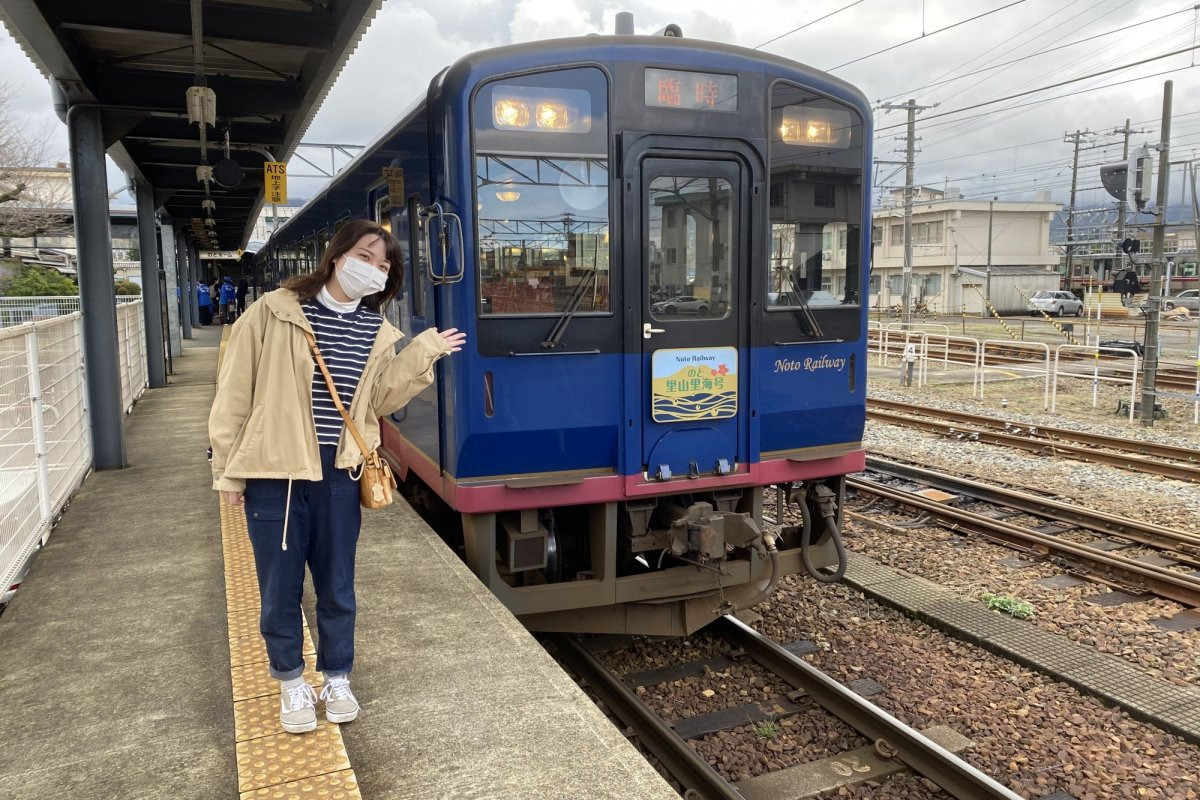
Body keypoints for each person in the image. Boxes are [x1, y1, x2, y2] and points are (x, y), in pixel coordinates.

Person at [208, 219, 465, 735]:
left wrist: (423, 352)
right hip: (274, 472)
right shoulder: (273, 313)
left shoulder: (376, 330)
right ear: (338, 254)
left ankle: (337, 675)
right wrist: (228, 473)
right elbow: (234, 394)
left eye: (384, 264)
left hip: (340, 473)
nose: (373, 269)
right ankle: (290, 682)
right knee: (278, 588)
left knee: (337, 584)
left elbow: (379, 401)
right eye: (365, 256)